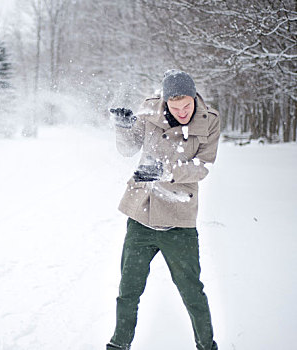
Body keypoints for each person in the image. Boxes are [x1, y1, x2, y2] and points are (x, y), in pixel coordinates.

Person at [106, 70, 220, 350]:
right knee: (128, 292)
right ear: (165, 101)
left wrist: (167, 171)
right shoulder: (148, 111)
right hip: (141, 216)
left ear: (194, 98)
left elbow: (203, 167)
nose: (182, 112)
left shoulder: (210, 122)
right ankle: (118, 345)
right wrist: (122, 127)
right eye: (175, 106)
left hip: (179, 221)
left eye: (187, 106)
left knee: (192, 292)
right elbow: (127, 149)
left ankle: (207, 346)